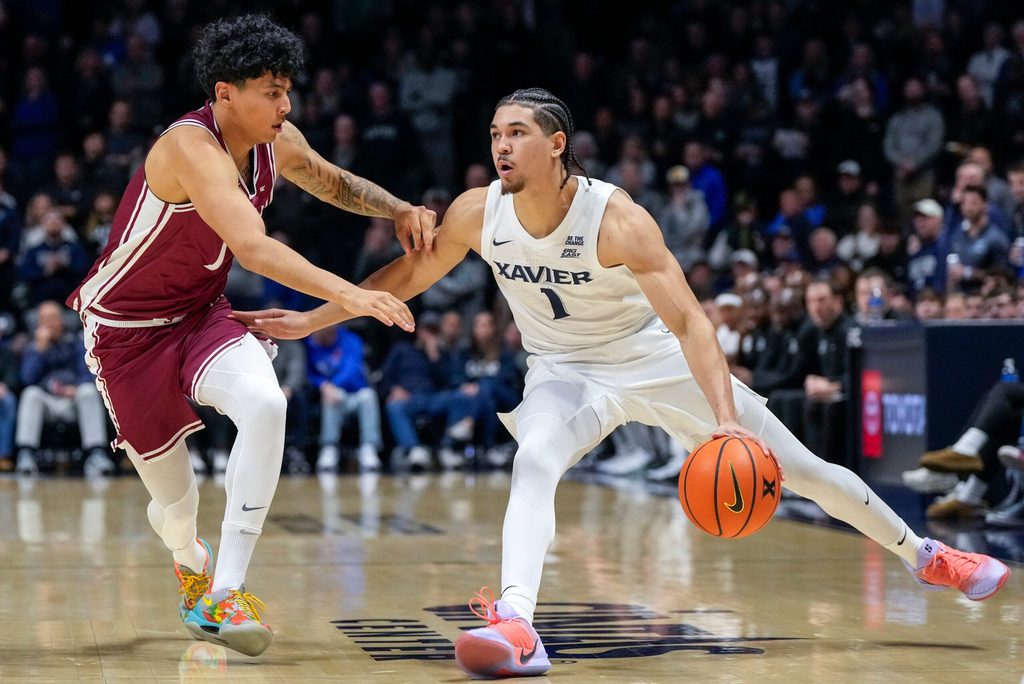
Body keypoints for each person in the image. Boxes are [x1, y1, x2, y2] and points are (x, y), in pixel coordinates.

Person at [237, 88, 1010, 678]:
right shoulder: (479, 213)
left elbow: (693, 325)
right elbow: (403, 276)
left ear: (557, 145)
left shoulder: (619, 220)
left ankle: (926, 554)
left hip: (654, 359)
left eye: (517, 134)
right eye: (495, 134)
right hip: (565, 372)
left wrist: (724, 422)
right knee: (532, 460)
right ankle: (517, 625)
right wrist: (314, 319)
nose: (501, 146)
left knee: (801, 471)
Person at [66, 15, 432, 657]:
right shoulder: (189, 147)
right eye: (270, 90)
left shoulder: (276, 140)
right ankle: (192, 560)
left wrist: (398, 208)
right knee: (176, 511)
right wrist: (350, 293)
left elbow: (334, 182)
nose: (285, 105)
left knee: (266, 405)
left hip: (203, 313)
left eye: (287, 89)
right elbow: (255, 248)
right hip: (125, 331)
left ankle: (227, 591)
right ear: (224, 92)